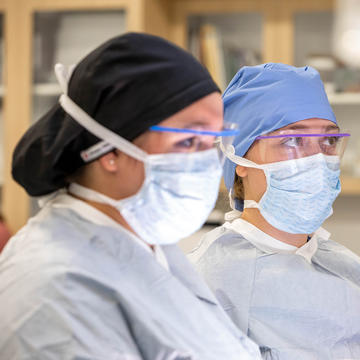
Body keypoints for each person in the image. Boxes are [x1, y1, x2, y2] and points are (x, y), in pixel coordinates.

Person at [0, 33, 261, 359]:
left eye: (211, 142)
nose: (206, 163)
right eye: (188, 141)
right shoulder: (55, 288)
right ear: (108, 150)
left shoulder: (147, 242)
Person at [189, 63, 360, 359]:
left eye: (329, 140)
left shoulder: (347, 267)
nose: (318, 159)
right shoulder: (204, 285)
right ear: (239, 158)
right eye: (292, 140)